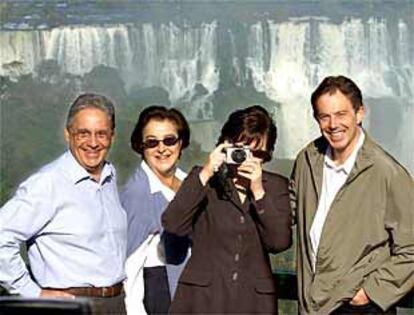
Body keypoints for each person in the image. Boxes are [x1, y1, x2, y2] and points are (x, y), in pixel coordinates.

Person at [290, 75, 414, 314]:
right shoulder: (307, 160)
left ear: (359, 114)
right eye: (324, 116)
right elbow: (288, 212)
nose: (333, 124)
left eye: (341, 114)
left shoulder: (386, 172)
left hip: (358, 306)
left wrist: (370, 293)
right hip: (311, 305)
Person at [0, 93, 127, 314]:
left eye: (102, 134)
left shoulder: (109, 176)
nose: (94, 143)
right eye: (83, 133)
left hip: (114, 304)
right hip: (68, 306)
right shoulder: (47, 183)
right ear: (68, 134)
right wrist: (32, 293)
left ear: (112, 137)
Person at [162, 105, 292, 314]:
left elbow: (279, 242)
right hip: (202, 300)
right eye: (242, 151)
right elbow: (173, 223)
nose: (248, 159)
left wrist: (258, 191)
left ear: (268, 154)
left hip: (253, 303)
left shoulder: (275, 187)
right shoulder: (205, 181)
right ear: (226, 145)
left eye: (258, 153)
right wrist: (207, 171)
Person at [121, 105, 191, 315]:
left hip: (189, 292)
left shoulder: (190, 183)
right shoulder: (138, 193)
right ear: (140, 146)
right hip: (160, 294)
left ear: (181, 143)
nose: (162, 149)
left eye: (169, 140)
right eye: (152, 142)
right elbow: (129, 268)